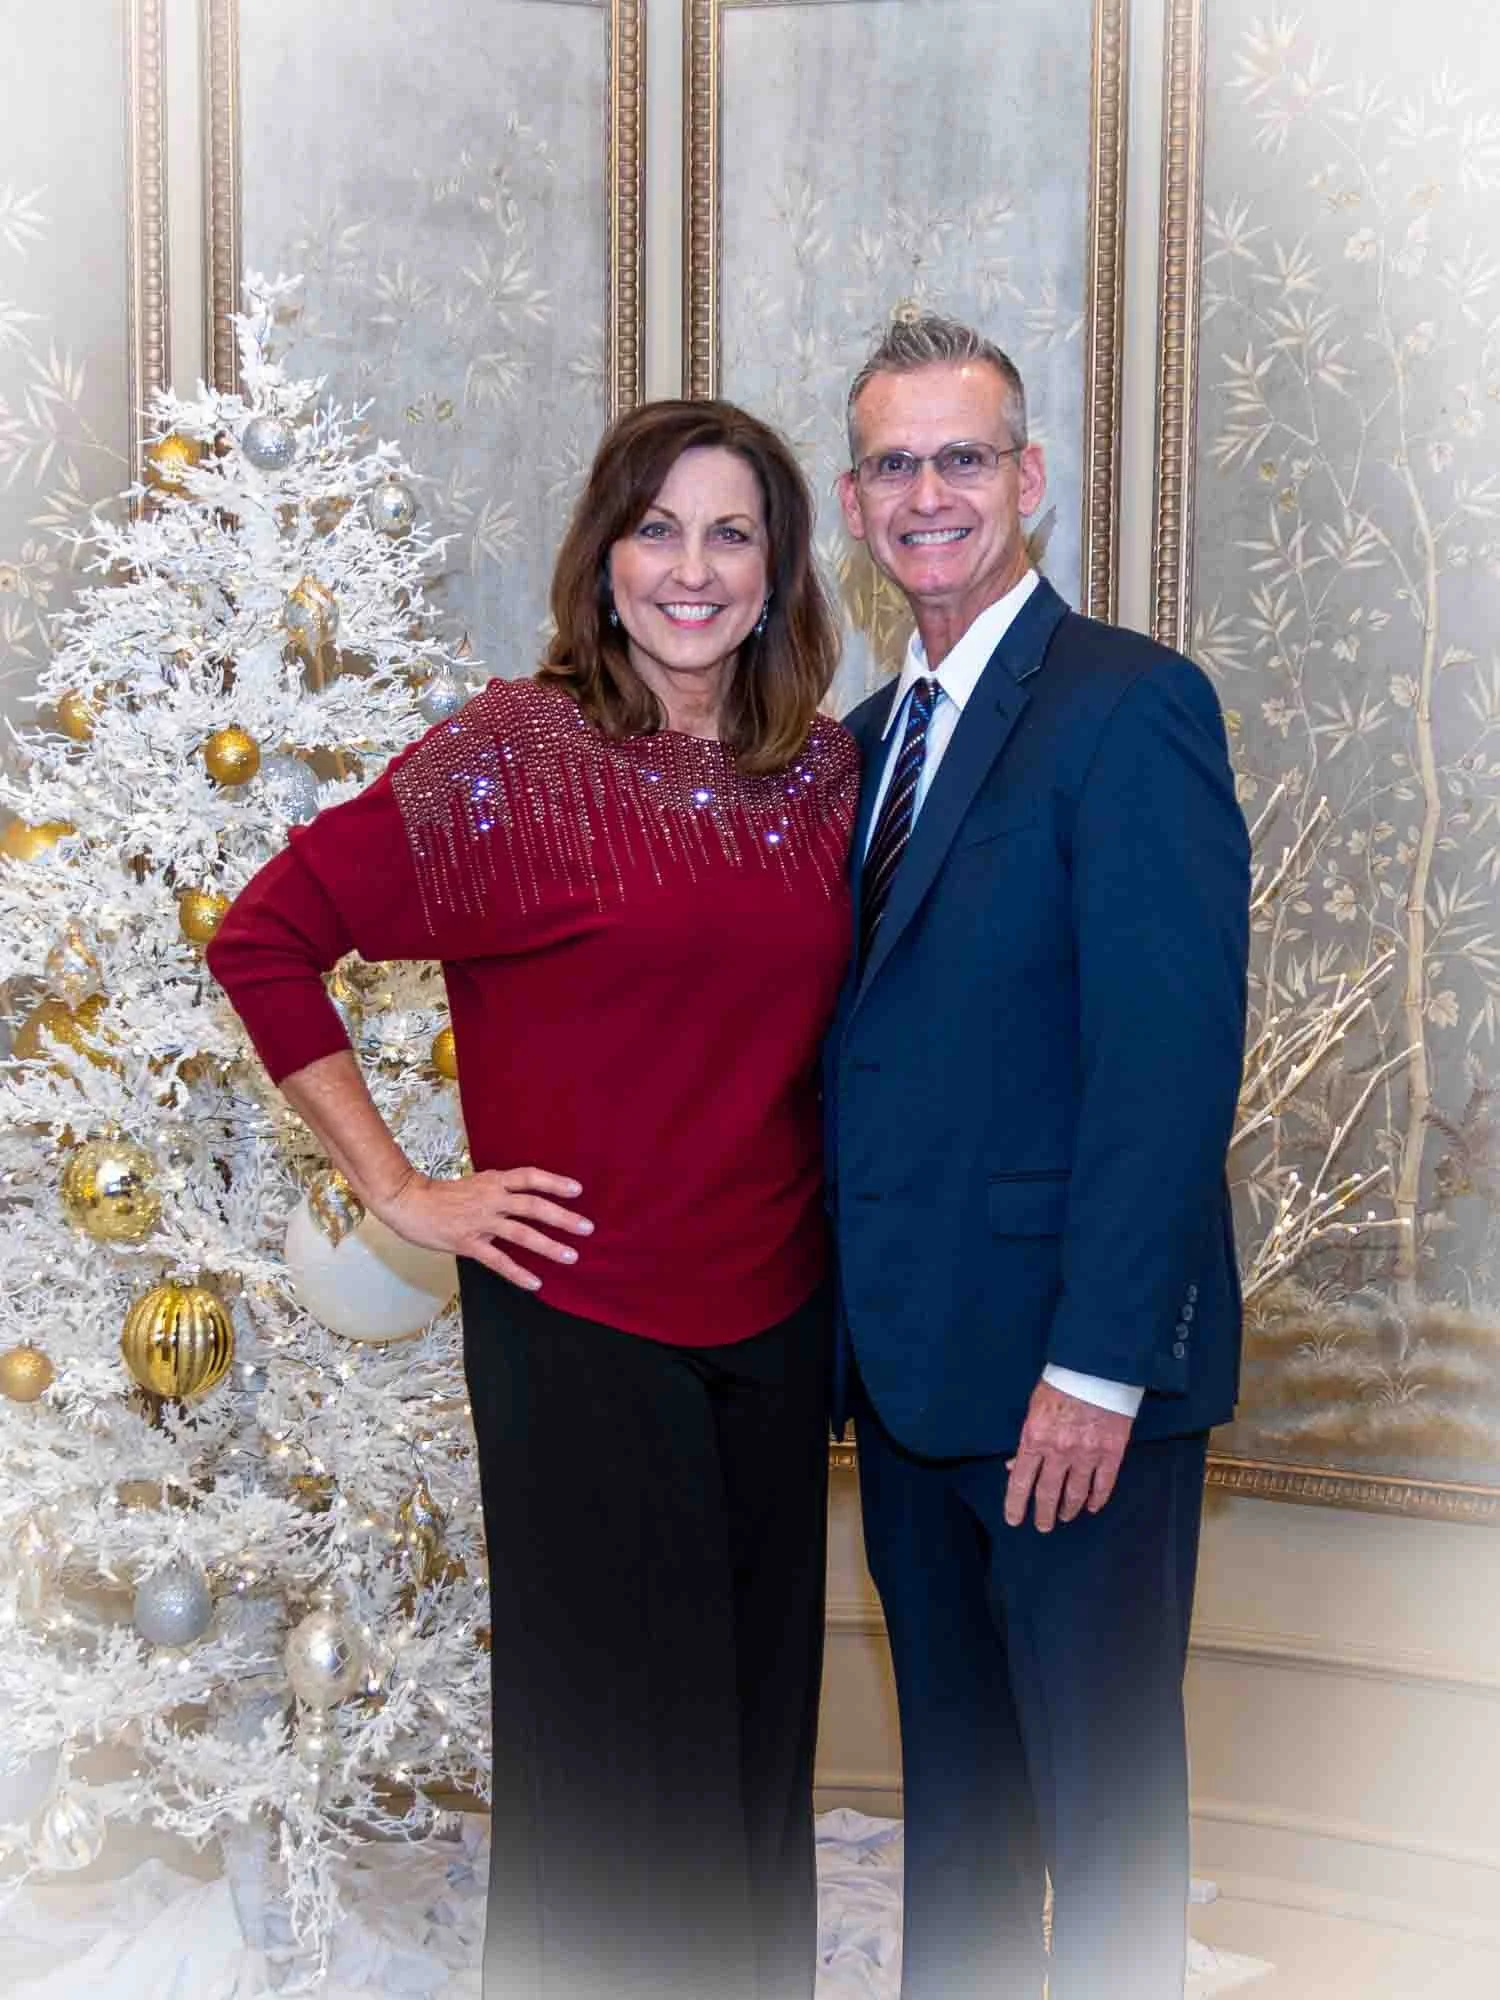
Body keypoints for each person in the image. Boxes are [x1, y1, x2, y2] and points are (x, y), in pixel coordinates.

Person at [208, 398, 858, 2000]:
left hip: (778, 1318)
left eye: (731, 533)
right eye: (657, 529)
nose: (691, 569)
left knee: (753, 1759)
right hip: (581, 1324)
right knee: (616, 1782)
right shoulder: (513, 758)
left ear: (778, 573)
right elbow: (265, 941)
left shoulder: (829, 772)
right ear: (604, 559)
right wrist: (399, 1188)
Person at [823, 312, 1251, 1999]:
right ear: (857, 504)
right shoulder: (860, 749)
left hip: (1073, 1392)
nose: (931, 492)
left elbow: (1167, 1064)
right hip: (915, 1377)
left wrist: (1095, 1368)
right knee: (964, 1808)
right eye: (895, 463)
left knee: (1108, 1804)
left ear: (1031, 479)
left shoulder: (1129, 705)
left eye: (964, 455)